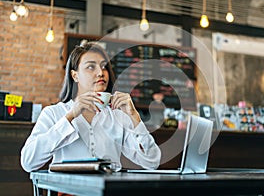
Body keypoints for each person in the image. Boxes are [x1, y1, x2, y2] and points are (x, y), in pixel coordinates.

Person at [20, 40, 161, 172]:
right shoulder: (54, 113)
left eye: (104, 66)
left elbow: (152, 161)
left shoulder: (118, 115)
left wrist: (134, 117)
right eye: (90, 67)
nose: (100, 73)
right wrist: (70, 117)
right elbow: (28, 162)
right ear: (75, 76)